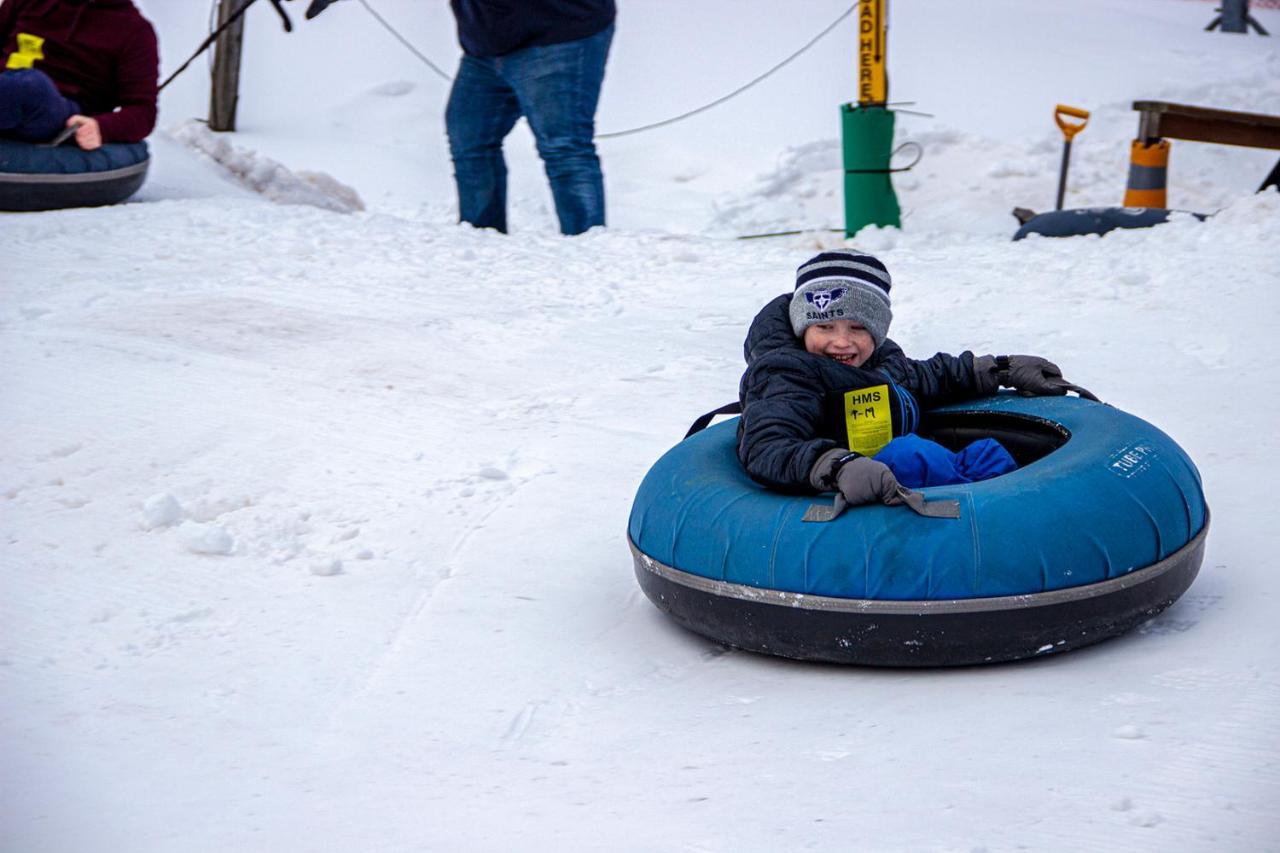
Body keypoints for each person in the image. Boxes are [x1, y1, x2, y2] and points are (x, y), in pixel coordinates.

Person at [738, 249, 1082, 508]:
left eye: (858, 328)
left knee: (986, 455)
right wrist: (836, 466)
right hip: (845, 490)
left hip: (894, 473)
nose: (841, 342)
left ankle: (1017, 511)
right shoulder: (788, 375)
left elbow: (929, 376)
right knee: (909, 454)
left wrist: (999, 369)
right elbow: (768, 445)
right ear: (802, 327)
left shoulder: (881, 362)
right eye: (824, 327)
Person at [306, 0, 613, 235]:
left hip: (560, 34)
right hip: (487, 46)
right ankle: (481, 244)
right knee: (470, 139)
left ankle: (586, 253)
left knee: (564, 148)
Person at [0, 0, 159, 151]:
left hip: (60, 113)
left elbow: (143, 111)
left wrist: (101, 127)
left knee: (28, 87)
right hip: (7, 84)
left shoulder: (135, 32)